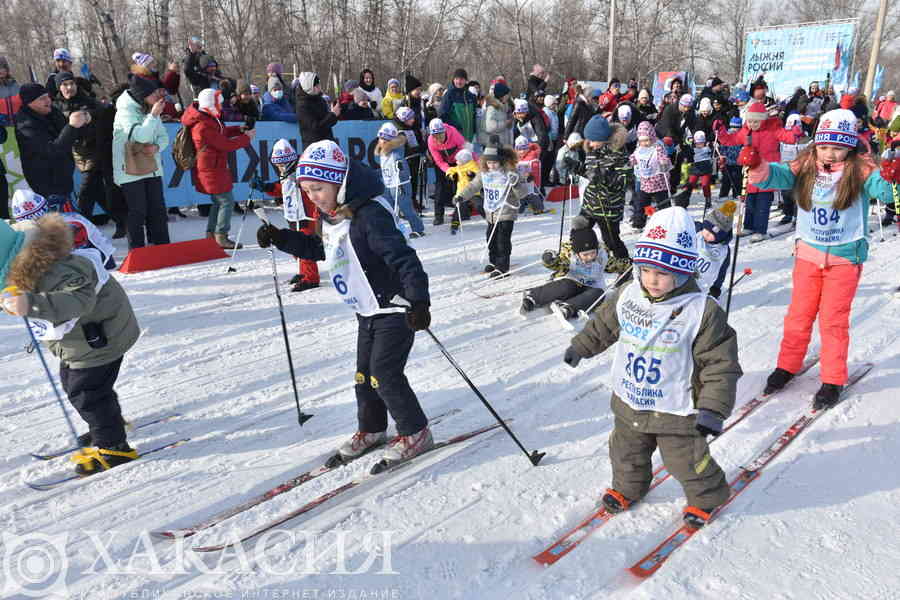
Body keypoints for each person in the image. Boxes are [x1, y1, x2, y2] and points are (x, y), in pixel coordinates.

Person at [255, 140, 435, 468]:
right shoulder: (332, 217)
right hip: (366, 311)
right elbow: (318, 248)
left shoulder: (370, 216)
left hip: (394, 310)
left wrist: (419, 301)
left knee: (385, 373)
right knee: (364, 375)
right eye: (307, 190)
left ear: (341, 182)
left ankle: (416, 431)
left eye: (319, 188)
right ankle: (372, 428)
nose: (313, 197)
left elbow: (404, 258)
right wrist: (281, 238)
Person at [562, 205, 742, 529]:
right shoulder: (629, 295)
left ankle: (707, 497)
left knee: (686, 461)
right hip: (631, 397)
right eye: (646, 270)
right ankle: (629, 488)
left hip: (677, 408)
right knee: (625, 452)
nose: (652, 280)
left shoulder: (701, 310)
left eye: (662, 273)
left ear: (684, 271)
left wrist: (713, 410)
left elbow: (719, 364)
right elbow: (604, 326)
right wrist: (580, 347)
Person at [745, 109, 898, 408]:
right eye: (824, 146)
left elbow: (887, 192)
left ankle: (832, 378)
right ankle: (787, 364)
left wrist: (894, 177)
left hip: (844, 258)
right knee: (798, 316)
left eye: (838, 148)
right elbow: (775, 176)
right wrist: (758, 165)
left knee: (833, 321)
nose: (829, 153)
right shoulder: (806, 164)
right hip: (808, 255)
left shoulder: (861, 169)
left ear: (850, 147)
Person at [1, 214, 140, 475]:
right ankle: (107, 423)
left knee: (88, 393)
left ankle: (114, 447)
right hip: (83, 340)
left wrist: (30, 303)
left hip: (102, 335)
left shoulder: (54, 269)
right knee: (76, 384)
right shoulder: (28, 264)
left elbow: (79, 300)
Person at [713, 102, 801, 241]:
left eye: (756, 121)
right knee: (750, 200)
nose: (753, 124)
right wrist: (721, 131)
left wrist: (795, 133)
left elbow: (787, 137)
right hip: (750, 171)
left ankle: (760, 229)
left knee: (763, 201)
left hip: (767, 171)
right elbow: (730, 140)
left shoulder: (773, 129)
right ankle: (749, 226)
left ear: (763, 119)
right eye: (750, 121)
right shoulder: (746, 131)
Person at [181, 89, 254, 249]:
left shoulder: (207, 118)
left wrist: (237, 130)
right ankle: (221, 235)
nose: (221, 105)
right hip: (210, 169)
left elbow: (221, 132)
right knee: (226, 201)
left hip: (214, 167)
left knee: (218, 202)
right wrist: (246, 138)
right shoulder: (202, 126)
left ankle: (212, 234)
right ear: (210, 105)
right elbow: (225, 144)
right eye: (218, 103)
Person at [251, 139, 320, 292]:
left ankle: (311, 278)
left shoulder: (301, 173)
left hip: (305, 216)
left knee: (304, 245)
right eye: (277, 165)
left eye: (281, 165)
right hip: (292, 215)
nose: (279, 168)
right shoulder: (286, 174)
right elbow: (280, 188)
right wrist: (264, 186)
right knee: (295, 245)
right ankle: (303, 272)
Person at [453, 140, 530, 276]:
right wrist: (461, 196)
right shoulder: (484, 173)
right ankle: (493, 261)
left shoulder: (511, 173)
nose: (492, 166)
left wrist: (515, 183)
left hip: (506, 211)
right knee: (491, 237)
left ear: (501, 161)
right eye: (489, 163)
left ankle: (502, 266)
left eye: (495, 162)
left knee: (502, 240)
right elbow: (473, 186)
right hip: (491, 211)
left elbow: (523, 193)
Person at [112, 75, 170, 249]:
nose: (157, 97)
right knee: (137, 211)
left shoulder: (150, 108)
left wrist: (157, 147)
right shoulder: (125, 111)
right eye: (153, 94)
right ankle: (137, 250)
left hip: (152, 167)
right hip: (129, 170)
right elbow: (141, 136)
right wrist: (153, 115)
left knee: (158, 209)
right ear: (141, 95)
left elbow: (164, 137)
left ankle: (162, 246)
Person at [14, 83, 87, 209]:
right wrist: (72, 126)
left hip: (64, 176)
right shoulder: (25, 124)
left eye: (47, 96)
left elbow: (72, 135)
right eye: (42, 98)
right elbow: (51, 150)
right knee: (58, 224)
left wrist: (85, 120)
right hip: (47, 183)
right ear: (29, 103)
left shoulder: (53, 112)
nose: (48, 100)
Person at [575, 115, 632, 273]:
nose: (590, 144)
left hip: (609, 207)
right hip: (590, 202)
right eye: (589, 140)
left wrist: (605, 177)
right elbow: (591, 173)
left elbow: (624, 181)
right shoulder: (592, 150)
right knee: (578, 233)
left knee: (611, 240)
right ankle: (581, 266)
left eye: (593, 140)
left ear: (603, 138)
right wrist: (579, 169)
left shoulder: (619, 154)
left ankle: (625, 266)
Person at [522, 216, 609, 319]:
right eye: (585, 255)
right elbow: (558, 264)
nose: (590, 257)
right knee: (567, 287)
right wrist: (550, 260)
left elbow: (615, 264)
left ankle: (569, 308)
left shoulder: (602, 255)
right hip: (572, 281)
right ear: (577, 253)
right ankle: (533, 296)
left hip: (591, 286)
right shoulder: (569, 255)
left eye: (593, 253)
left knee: (599, 294)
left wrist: (628, 265)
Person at [10, 189, 116, 270]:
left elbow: (72, 257)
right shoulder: (50, 218)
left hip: (99, 262)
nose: (31, 226)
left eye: (36, 220)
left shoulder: (69, 223)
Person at [52, 73, 108, 225]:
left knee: (86, 191)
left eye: (72, 83)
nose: (69, 87)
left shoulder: (87, 100)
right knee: (97, 191)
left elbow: (104, 112)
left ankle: (83, 225)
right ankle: (122, 218)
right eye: (65, 84)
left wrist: (89, 116)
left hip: (95, 150)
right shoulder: (55, 105)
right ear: (59, 87)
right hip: (77, 153)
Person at [375, 122, 425, 237]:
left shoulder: (396, 149)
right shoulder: (382, 152)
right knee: (387, 208)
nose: (381, 141)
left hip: (400, 183)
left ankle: (418, 228)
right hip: (388, 184)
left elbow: (401, 138)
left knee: (406, 208)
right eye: (380, 138)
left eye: (384, 139)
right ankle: (389, 229)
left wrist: (400, 168)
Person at [629, 121, 672, 229]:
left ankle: (666, 222)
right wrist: (629, 162)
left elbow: (663, 158)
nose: (645, 143)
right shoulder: (639, 148)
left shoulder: (657, 147)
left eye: (647, 140)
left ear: (652, 137)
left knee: (663, 204)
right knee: (642, 204)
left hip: (658, 182)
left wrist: (664, 163)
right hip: (645, 183)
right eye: (642, 141)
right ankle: (640, 223)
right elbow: (634, 158)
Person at [427, 118, 466, 227]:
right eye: (435, 135)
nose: (438, 137)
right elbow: (438, 160)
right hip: (443, 163)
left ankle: (462, 212)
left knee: (459, 186)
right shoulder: (431, 140)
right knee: (440, 187)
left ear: (444, 131)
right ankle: (438, 216)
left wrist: (469, 162)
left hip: (458, 160)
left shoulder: (453, 132)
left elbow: (465, 147)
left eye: (440, 134)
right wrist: (448, 170)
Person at [693, 201, 735, 299]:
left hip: (702, 285)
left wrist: (716, 287)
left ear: (720, 237)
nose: (707, 234)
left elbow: (721, 270)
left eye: (712, 233)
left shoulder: (723, 251)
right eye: (706, 229)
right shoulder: (697, 230)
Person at [295, 72, 340, 147]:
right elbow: (315, 128)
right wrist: (332, 115)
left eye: (319, 84)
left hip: (327, 142)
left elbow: (327, 122)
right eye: (317, 85)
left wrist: (335, 113)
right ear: (310, 87)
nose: (319, 87)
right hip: (313, 146)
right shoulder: (302, 106)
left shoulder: (320, 98)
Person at [440, 68, 477, 142]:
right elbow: (443, 115)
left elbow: (474, 115)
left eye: (462, 79)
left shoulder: (470, 96)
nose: (459, 82)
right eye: (456, 79)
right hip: (455, 136)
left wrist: (474, 128)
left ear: (466, 81)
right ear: (453, 80)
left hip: (469, 136)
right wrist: (455, 128)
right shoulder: (449, 95)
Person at [716, 117, 743, 201]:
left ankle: (737, 194)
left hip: (738, 162)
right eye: (733, 127)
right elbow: (723, 146)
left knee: (737, 179)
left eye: (737, 127)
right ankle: (723, 194)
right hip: (727, 161)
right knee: (726, 179)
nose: (734, 129)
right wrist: (722, 156)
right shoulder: (727, 135)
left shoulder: (742, 136)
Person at [480, 80, 513, 147]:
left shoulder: (503, 107)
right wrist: (505, 123)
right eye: (506, 95)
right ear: (501, 95)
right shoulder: (492, 109)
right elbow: (490, 127)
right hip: (494, 145)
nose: (508, 96)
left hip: (503, 143)